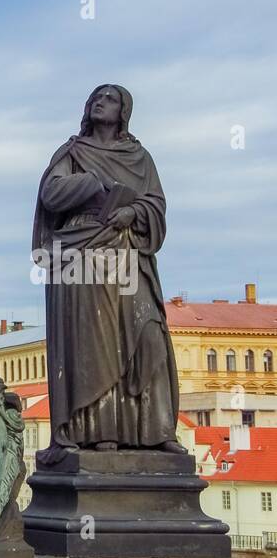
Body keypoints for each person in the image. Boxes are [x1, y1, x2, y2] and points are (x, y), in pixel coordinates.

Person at [32, 84, 184, 462]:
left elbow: (156, 205)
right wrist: (94, 184)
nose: (100, 102)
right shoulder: (72, 152)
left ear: (123, 112)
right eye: (95, 98)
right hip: (82, 254)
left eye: (110, 98)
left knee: (148, 333)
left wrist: (134, 212)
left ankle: (156, 429)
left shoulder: (140, 156)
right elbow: (51, 194)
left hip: (128, 250)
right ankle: (98, 434)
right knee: (94, 345)